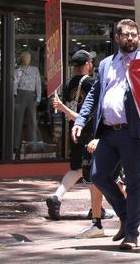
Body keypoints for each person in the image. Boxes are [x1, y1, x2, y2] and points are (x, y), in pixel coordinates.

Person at [71, 19, 140, 250]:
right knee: (98, 175)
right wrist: (80, 119)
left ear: (139, 38)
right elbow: (94, 94)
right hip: (108, 132)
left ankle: (132, 234)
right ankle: (126, 216)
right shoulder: (106, 64)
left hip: (133, 133)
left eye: (134, 35)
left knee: (134, 183)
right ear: (117, 38)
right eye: (125, 35)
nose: (130, 38)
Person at [46, 50, 112, 237]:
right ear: (88, 63)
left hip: (75, 130)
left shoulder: (68, 84)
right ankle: (96, 211)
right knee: (95, 173)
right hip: (90, 132)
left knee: (77, 168)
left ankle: (57, 196)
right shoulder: (91, 83)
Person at [13, 50, 42, 157]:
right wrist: (14, 96)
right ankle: (15, 146)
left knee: (32, 121)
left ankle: (33, 145)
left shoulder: (35, 70)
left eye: (28, 57)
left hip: (31, 95)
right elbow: (14, 85)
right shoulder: (17, 71)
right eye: (25, 57)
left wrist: (38, 98)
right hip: (20, 95)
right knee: (17, 122)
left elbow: (38, 84)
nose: (27, 59)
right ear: (22, 58)